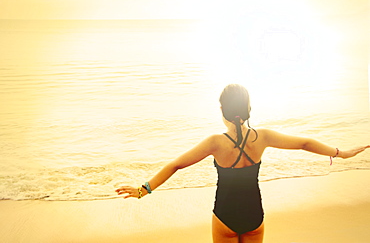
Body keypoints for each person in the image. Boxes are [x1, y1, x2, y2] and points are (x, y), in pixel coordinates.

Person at [115, 84, 369, 243]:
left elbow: (175, 165)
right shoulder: (263, 137)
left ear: (222, 109)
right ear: (248, 107)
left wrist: (143, 190)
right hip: (254, 216)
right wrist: (342, 153)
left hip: (225, 215)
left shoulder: (215, 142)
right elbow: (305, 143)